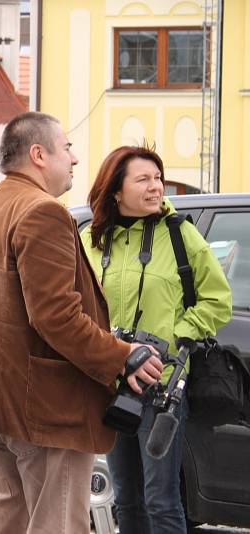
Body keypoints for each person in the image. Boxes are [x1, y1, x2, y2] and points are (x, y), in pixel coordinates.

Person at [0, 112, 164, 533]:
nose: (75, 158)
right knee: (57, 525)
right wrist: (122, 356)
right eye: (67, 148)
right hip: (43, 409)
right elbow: (56, 316)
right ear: (38, 154)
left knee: (5, 523)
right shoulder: (42, 211)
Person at [81, 145, 232, 533]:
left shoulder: (181, 234)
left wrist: (178, 336)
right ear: (116, 190)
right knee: (126, 499)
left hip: (160, 387)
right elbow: (75, 306)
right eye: (144, 179)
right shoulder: (91, 240)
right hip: (110, 384)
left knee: (161, 500)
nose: (156, 187)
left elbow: (218, 301)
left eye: (158, 178)